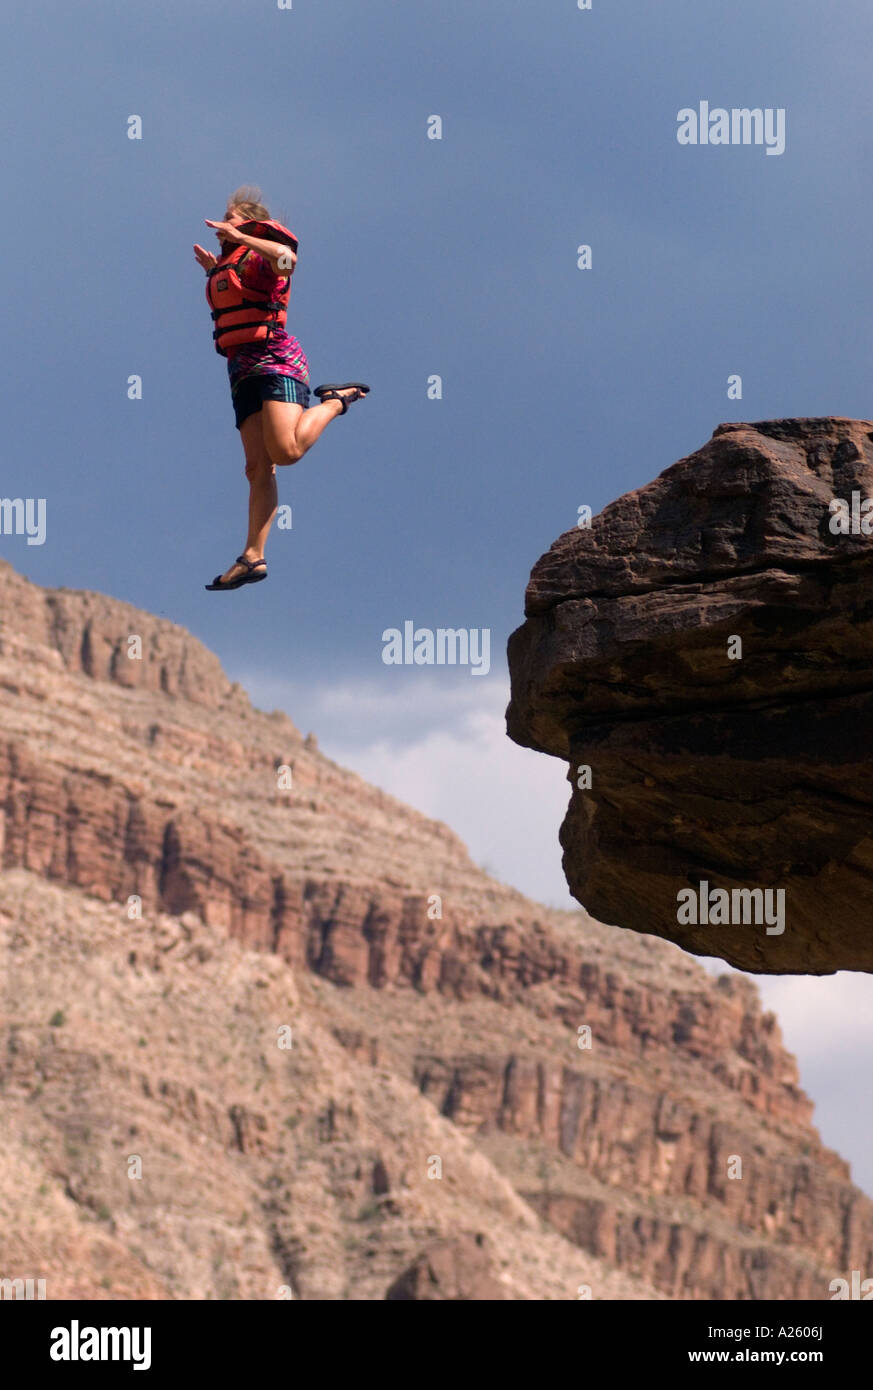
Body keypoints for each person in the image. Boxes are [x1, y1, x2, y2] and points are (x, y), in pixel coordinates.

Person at [193, 185, 369, 591]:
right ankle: (252, 557)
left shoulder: (263, 257)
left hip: (276, 360)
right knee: (258, 468)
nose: (222, 226)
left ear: (251, 223)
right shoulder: (232, 265)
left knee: (286, 452)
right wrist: (212, 270)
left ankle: (335, 402)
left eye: (231, 220)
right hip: (241, 370)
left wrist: (241, 239)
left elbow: (287, 260)